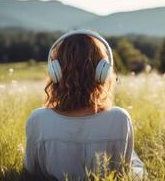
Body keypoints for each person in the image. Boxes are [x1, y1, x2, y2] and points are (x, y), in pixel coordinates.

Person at [24, 29, 144, 180]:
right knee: (135, 162)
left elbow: (30, 173)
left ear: (56, 73)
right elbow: (123, 173)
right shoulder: (119, 119)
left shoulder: (38, 119)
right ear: (102, 72)